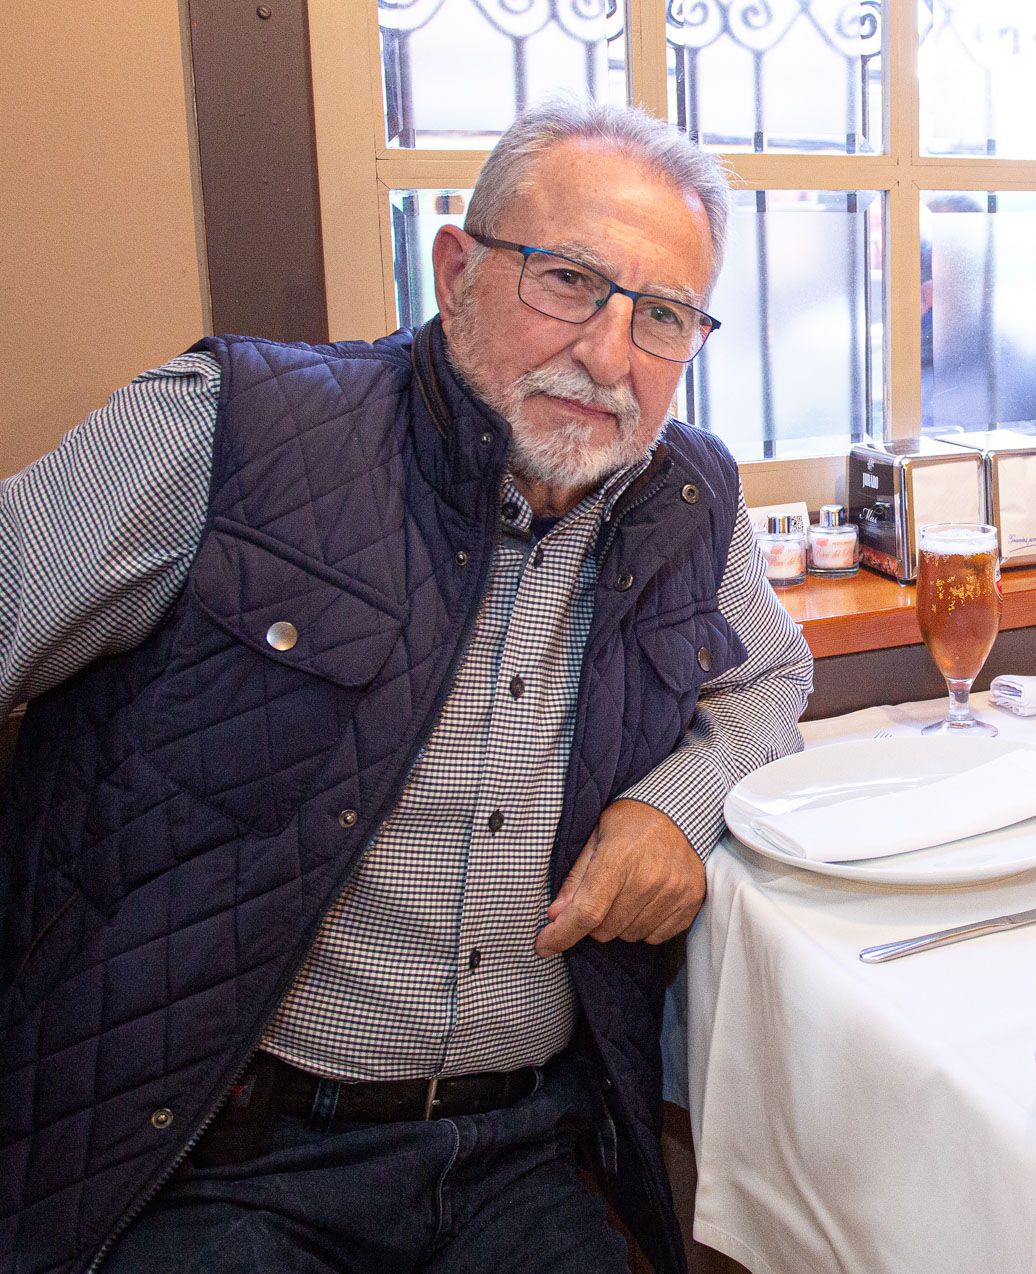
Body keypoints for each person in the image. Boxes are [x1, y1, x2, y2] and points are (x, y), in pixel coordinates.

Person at [0, 100, 811, 1274]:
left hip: (520, 1151)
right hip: (216, 1166)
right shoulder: (233, 432)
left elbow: (771, 681)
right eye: (571, 282)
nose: (609, 355)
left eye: (664, 315)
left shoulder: (686, 497)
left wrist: (673, 805)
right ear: (457, 268)